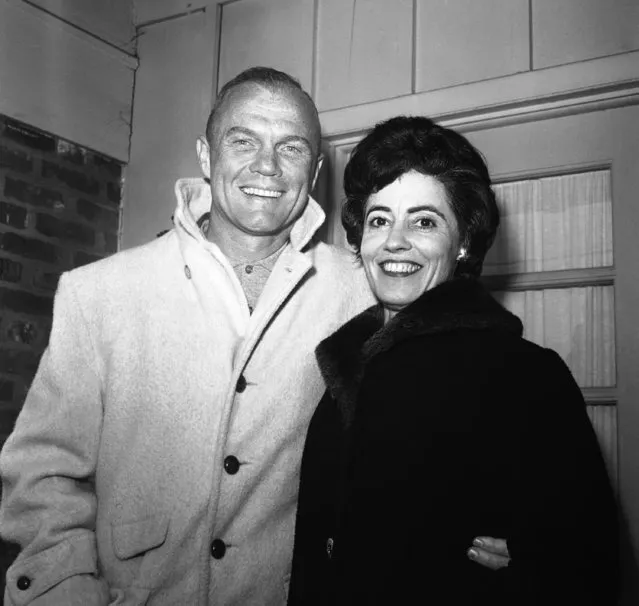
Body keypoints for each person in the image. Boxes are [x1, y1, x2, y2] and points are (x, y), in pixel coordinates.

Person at [0, 67, 504, 605]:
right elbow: (44, 479)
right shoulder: (97, 293)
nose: (267, 166)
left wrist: (500, 511)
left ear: (313, 173)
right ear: (205, 154)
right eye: (243, 141)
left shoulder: (367, 289)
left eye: (291, 148)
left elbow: (449, 410)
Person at [287, 116, 619, 605]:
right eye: (379, 220)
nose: (395, 240)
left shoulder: (525, 376)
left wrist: (535, 565)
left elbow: (590, 562)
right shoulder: (345, 365)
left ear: (463, 241)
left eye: (424, 221)